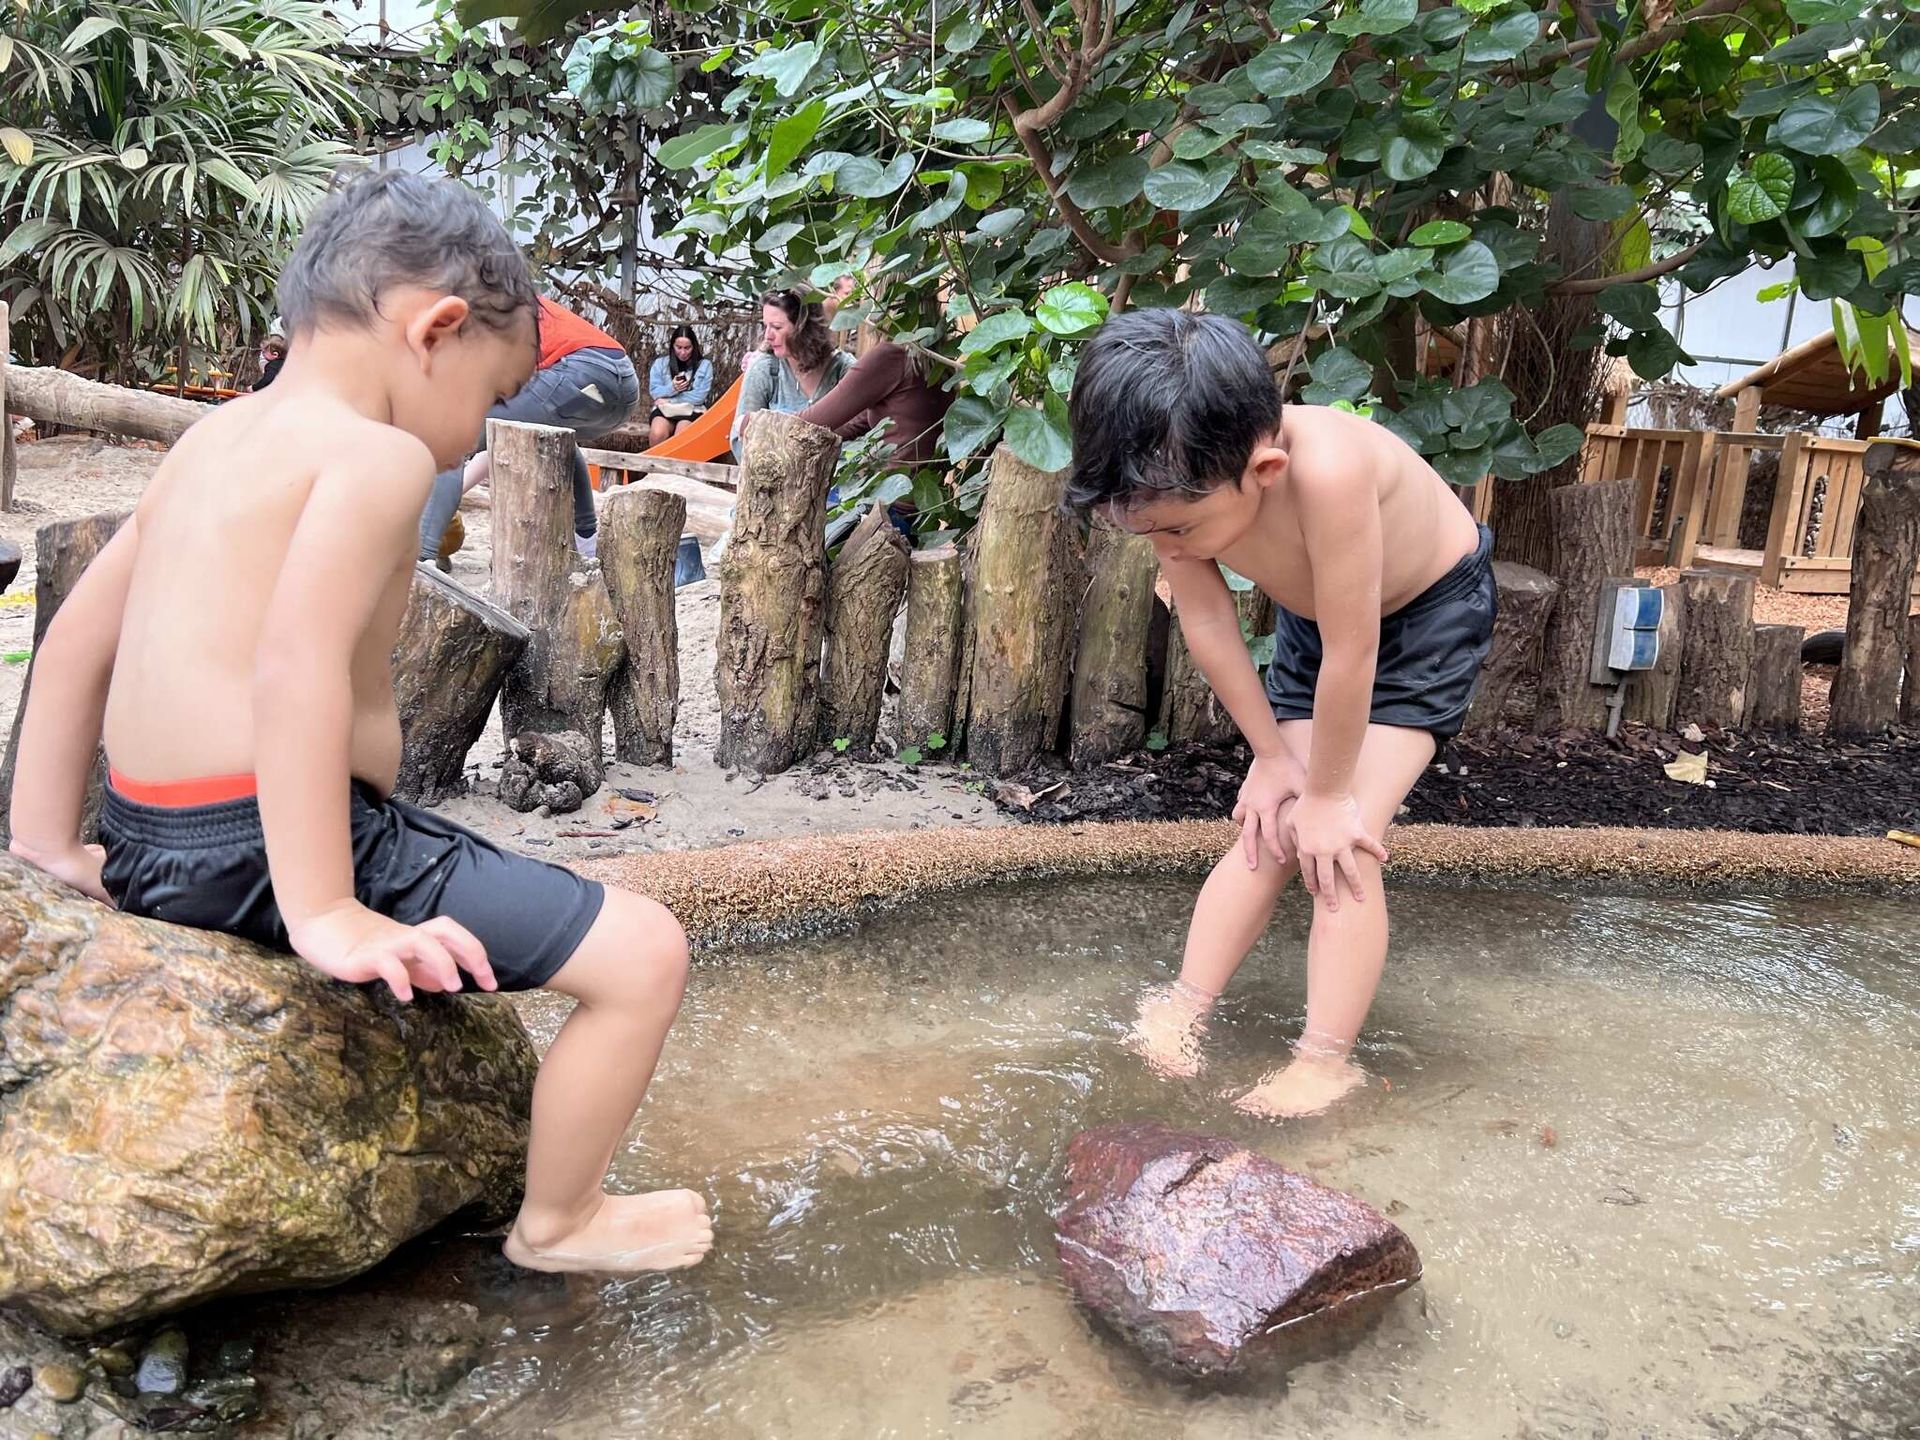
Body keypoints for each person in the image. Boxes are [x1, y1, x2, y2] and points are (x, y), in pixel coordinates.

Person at [6, 170, 713, 1275]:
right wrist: (326, 907)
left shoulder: (210, 440)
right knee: (644, 954)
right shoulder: (373, 455)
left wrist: (48, 842)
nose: (474, 429)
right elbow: (295, 670)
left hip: (148, 845)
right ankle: (561, 1223)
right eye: (488, 394)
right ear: (434, 331)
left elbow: (72, 641)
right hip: (274, 847)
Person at [1064, 308, 1495, 1118]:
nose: (1170, 545)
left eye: (1179, 528)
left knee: (1343, 839)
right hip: (1319, 620)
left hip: (1424, 619)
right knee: (1272, 822)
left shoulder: (1327, 470)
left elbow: (1355, 653)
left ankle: (1328, 1058)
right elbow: (1207, 620)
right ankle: (1185, 1005)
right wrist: (1272, 758)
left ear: (1261, 471)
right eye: (1147, 529)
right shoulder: (1177, 498)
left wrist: (1331, 795)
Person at [416, 295, 639, 565]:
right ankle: (587, 543)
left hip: (583, 374)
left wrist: (433, 498)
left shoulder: (466, 309)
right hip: (623, 386)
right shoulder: (500, 293)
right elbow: (498, 437)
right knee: (556, 437)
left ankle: (422, 558)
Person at [728, 288, 851, 450]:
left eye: (777, 327)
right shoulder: (764, 369)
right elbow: (739, 439)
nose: (767, 336)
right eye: (766, 326)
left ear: (804, 328)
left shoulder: (843, 369)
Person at [647, 324, 714, 445]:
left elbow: (699, 397)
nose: (683, 352)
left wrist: (670, 399)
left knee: (681, 436)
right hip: (665, 410)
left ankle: (676, 463)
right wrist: (672, 388)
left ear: (694, 347)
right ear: (672, 346)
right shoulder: (660, 364)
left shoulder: (705, 366)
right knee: (657, 433)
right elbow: (654, 391)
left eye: (687, 348)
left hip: (692, 410)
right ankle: (653, 463)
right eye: (679, 347)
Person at [251, 324, 288, 391]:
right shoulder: (287, 363)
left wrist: (253, 388)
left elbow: (267, 380)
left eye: (264, 352)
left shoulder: (273, 366)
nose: (262, 354)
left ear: (275, 354)